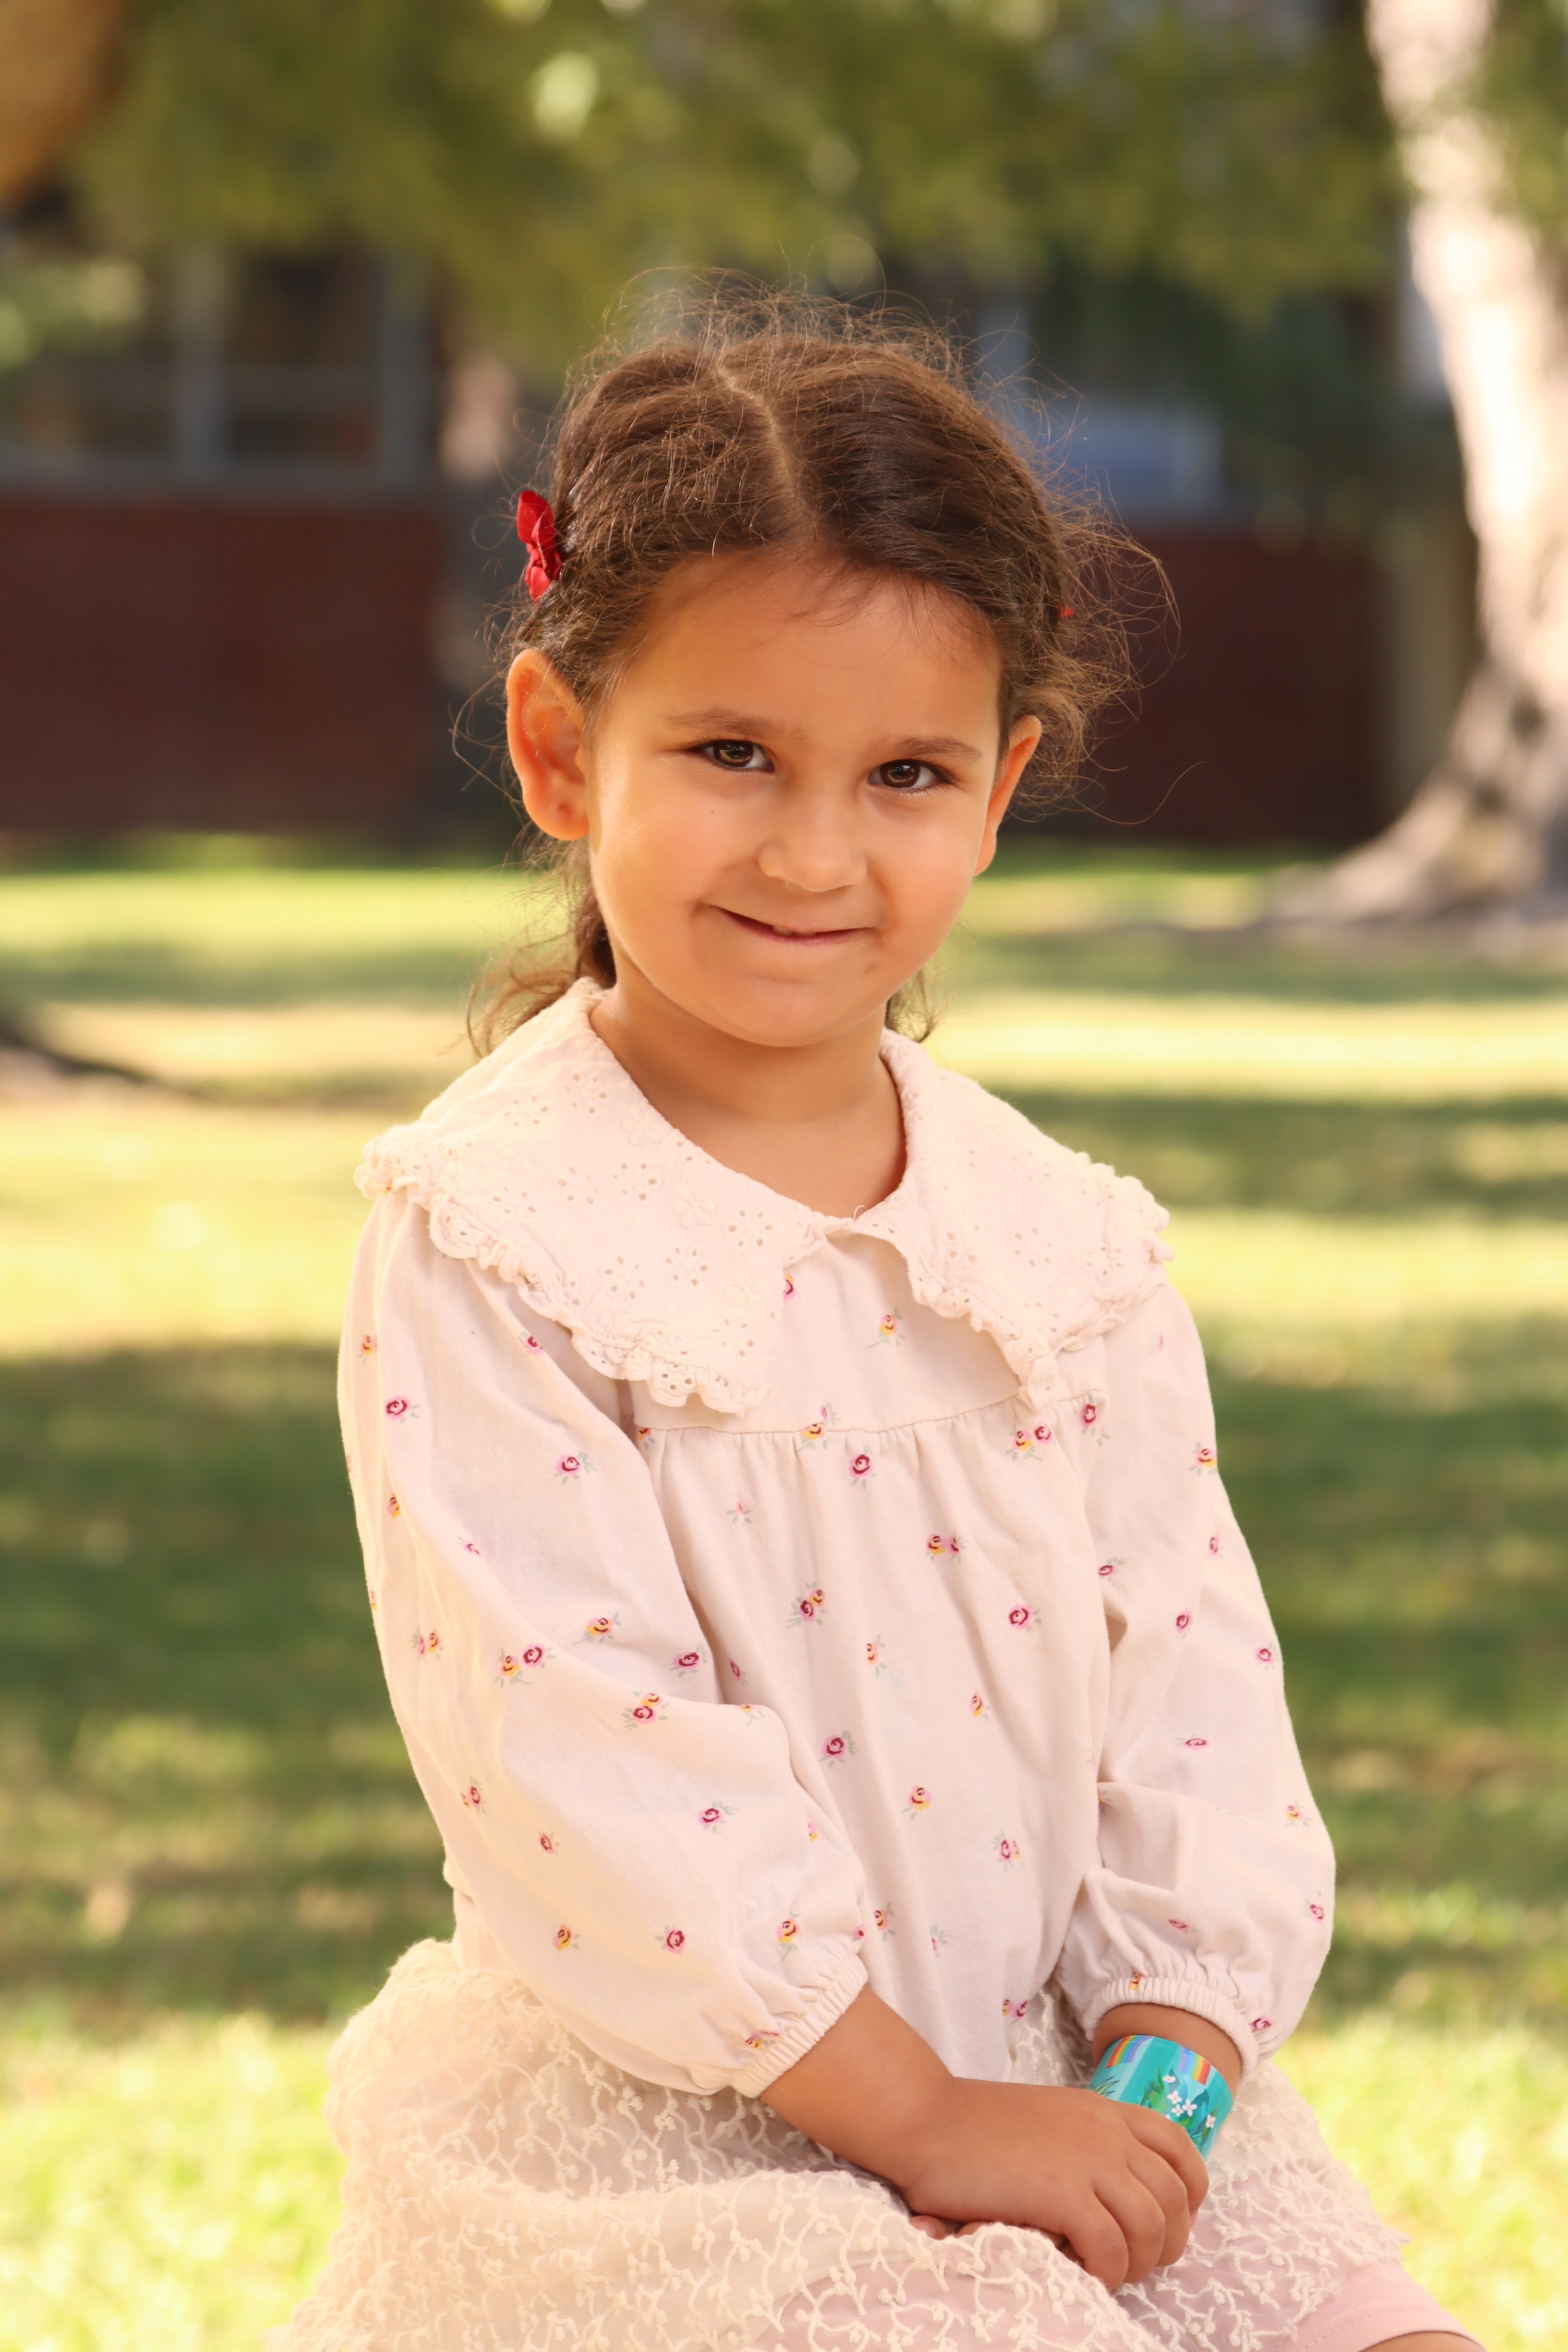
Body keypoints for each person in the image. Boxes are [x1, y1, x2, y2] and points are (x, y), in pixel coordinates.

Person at [275, 299, 1479, 2352]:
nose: (814, 850)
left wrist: (1167, 2078)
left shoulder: (1058, 1249)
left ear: (998, 790)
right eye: (731, 754)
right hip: (694, 2124)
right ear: (563, 750)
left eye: (905, 773)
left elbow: (1194, 1691)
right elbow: (580, 1755)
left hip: (1074, 2071)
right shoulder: (501, 1238)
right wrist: (923, 2120)